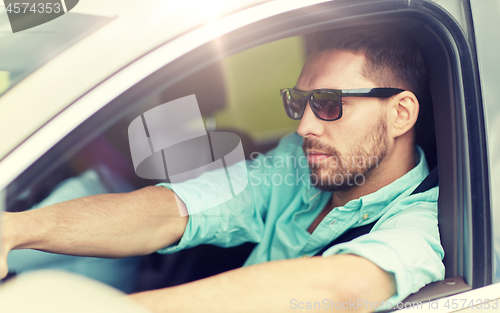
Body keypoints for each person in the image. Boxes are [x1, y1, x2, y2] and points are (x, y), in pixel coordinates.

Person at [0, 25, 444, 312]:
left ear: (401, 114)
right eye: (299, 103)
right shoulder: (295, 166)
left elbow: (342, 284)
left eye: (328, 104)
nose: (304, 126)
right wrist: (16, 229)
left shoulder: (423, 223)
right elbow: (172, 210)